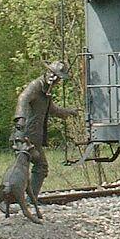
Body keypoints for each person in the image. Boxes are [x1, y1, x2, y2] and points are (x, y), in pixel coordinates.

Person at [13, 60, 79, 196]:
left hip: (34, 138)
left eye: (58, 77)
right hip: (24, 137)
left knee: (40, 167)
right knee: (22, 170)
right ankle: (7, 199)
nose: (54, 78)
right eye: (52, 73)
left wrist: (69, 112)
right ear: (47, 72)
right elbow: (23, 99)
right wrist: (20, 123)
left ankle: (30, 198)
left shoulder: (46, 93)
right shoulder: (35, 86)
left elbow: (52, 110)